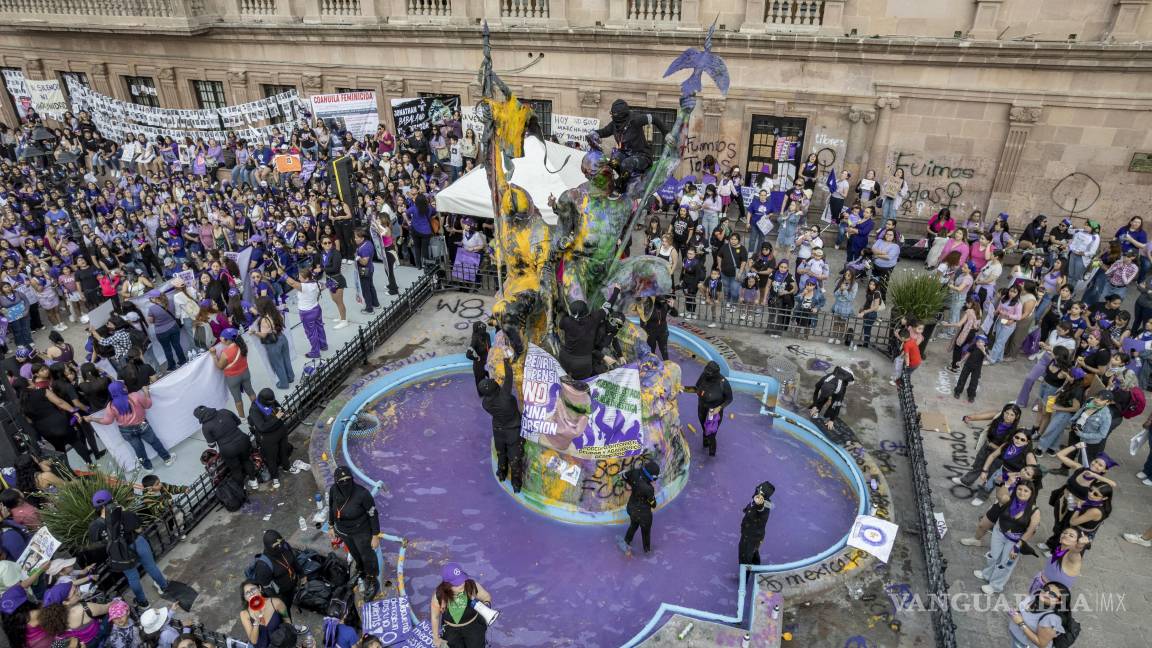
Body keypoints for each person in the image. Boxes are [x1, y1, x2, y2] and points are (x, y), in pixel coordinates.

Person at [88, 490, 170, 608]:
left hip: (120, 552)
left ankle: (143, 602)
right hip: (137, 543)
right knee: (151, 566)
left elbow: (97, 543)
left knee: (132, 577)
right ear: (111, 502)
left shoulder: (95, 526)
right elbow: (139, 530)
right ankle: (164, 587)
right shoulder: (124, 514)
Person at [960, 479, 1041, 594]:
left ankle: (996, 585)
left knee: (1006, 563)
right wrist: (1006, 483)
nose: (1022, 493)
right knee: (993, 555)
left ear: (1031, 493)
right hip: (999, 532)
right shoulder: (1008, 500)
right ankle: (987, 574)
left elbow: (1031, 530)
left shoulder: (1034, 511)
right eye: (1019, 489)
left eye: (1026, 491)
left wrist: (1018, 546)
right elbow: (999, 495)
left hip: (1015, 540)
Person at [85, 381, 173, 470]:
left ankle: (148, 468)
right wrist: (146, 392)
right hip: (142, 425)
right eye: (124, 386)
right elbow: (148, 404)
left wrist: (92, 419)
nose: (126, 387)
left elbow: (107, 421)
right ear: (124, 389)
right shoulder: (135, 396)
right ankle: (167, 459)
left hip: (126, 431)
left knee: (138, 450)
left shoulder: (111, 406)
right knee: (154, 442)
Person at [588, 99, 669, 191]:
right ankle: (615, 182)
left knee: (626, 164)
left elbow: (654, 119)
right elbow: (604, 131)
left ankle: (621, 188)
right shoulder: (614, 125)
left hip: (642, 156)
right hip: (625, 154)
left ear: (620, 115)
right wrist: (594, 133)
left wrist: (666, 134)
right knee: (613, 162)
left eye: (613, 114)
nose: (611, 116)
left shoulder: (635, 120)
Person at [327, 466, 381, 600]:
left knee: (367, 555)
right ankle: (361, 571)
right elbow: (331, 507)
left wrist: (375, 535)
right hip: (344, 531)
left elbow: (373, 514)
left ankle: (373, 579)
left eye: (348, 479)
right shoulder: (334, 490)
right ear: (336, 482)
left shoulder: (362, 494)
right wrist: (331, 525)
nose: (345, 482)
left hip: (361, 531)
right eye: (341, 480)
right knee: (355, 553)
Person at [478, 352, 524, 493]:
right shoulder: (504, 397)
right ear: (494, 388)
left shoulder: (485, 403)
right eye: (493, 382)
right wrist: (506, 361)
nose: (494, 381)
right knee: (514, 458)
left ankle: (502, 473)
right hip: (512, 431)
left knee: (501, 453)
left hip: (498, 430)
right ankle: (516, 484)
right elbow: (509, 378)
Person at [428, 563, 492, 648]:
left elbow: (486, 596)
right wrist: (435, 638)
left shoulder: (471, 586)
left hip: (474, 627)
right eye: (457, 584)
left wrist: (485, 608)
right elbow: (435, 617)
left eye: (462, 580)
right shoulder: (439, 596)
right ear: (447, 585)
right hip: (451, 630)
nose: (462, 585)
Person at [195, 405, 258, 491]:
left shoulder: (205, 427)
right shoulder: (224, 411)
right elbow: (238, 422)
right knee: (246, 460)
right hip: (243, 441)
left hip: (228, 449)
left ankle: (242, 489)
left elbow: (212, 444)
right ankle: (254, 482)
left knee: (236, 469)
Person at [686, 361, 733, 456]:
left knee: (711, 433)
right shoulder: (704, 375)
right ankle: (705, 441)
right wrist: (683, 389)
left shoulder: (723, 383)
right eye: (706, 372)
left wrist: (719, 408)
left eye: (708, 373)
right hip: (702, 407)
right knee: (704, 427)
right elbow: (696, 388)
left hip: (714, 412)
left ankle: (712, 453)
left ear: (715, 374)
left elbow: (729, 399)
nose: (706, 374)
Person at [248, 389, 292, 490]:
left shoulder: (271, 401)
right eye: (270, 402)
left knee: (283, 451)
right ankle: (275, 477)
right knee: (271, 458)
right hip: (268, 438)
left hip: (280, 431)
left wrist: (283, 412)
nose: (272, 403)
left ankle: (287, 467)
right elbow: (262, 427)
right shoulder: (255, 409)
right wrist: (277, 417)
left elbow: (278, 407)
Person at [211, 328, 257, 416]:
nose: (220, 339)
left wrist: (213, 355)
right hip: (245, 373)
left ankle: (243, 418)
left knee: (237, 399)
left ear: (226, 340)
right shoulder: (243, 345)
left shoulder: (226, 353)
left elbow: (220, 366)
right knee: (251, 391)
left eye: (221, 337)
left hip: (233, 378)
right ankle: (257, 409)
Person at [251, 298, 294, 390]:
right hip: (282, 338)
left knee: (278, 364)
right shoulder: (276, 312)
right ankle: (290, 377)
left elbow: (263, 335)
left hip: (273, 343)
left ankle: (283, 383)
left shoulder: (264, 320)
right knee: (286, 359)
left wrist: (254, 332)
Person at [619, 459, 660, 555]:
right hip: (644, 514)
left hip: (631, 508)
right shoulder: (649, 489)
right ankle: (647, 551)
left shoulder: (634, 472)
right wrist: (653, 501)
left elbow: (625, 476)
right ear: (651, 477)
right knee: (645, 533)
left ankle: (626, 542)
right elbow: (653, 504)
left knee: (633, 525)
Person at [284, 267, 326, 359]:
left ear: (306, 278)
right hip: (316, 308)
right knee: (320, 327)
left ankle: (315, 351)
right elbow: (323, 286)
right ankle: (323, 345)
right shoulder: (315, 283)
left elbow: (292, 283)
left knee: (311, 333)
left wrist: (283, 275)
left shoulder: (304, 287)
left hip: (307, 313)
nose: (299, 279)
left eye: (300, 277)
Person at [250, 530, 300, 607]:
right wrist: (278, 602)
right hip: (282, 593)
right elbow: (266, 588)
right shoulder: (263, 565)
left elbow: (294, 560)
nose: (280, 547)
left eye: (281, 543)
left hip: (293, 583)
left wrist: (302, 575)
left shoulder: (285, 546)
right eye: (277, 546)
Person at [556, 300, 603, 380]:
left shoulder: (567, 321)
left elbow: (560, 325)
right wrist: (616, 290)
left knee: (561, 378)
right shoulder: (594, 319)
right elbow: (607, 306)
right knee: (580, 384)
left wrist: (564, 313)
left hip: (565, 357)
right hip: (583, 363)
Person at [239, 580, 292, 648]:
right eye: (247, 593)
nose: (252, 594)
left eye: (253, 589)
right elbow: (254, 641)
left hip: (281, 644)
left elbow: (287, 620)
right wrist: (256, 622)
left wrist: (288, 638)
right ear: (245, 598)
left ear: (259, 588)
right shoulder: (244, 614)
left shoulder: (277, 603)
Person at [145, 290, 186, 371]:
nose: (150, 300)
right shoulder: (170, 301)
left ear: (154, 298)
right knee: (177, 345)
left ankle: (172, 366)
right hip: (174, 327)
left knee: (167, 349)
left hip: (161, 332)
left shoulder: (152, 309)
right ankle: (182, 360)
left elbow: (150, 321)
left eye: (150, 298)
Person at [738, 481, 775, 566]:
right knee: (753, 551)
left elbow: (760, 507)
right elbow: (751, 506)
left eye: (761, 493)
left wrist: (760, 503)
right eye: (758, 489)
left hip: (752, 536)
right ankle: (757, 567)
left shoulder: (763, 507)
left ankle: (743, 577)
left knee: (744, 557)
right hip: (751, 533)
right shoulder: (754, 499)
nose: (758, 493)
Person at [317, 236, 349, 329]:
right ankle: (341, 317)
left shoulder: (336, 253)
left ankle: (344, 320)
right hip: (329, 279)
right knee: (334, 299)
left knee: (339, 301)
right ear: (322, 245)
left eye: (329, 242)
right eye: (325, 243)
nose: (328, 244)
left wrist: (321, 269)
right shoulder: (322, 253)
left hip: (337, 279)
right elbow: (322, 265)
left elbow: (335, 268)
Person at [640, 295, 676, 361]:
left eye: (663, 301)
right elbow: (642, 320)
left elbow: (675, 314)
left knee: (664, 351)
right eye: (661, 301)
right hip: (650, 332)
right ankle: (651, 365)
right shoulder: (648, 305)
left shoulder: (665, 304)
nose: (663, 302)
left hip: (663, 331)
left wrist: (672, 307)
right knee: (651, 350)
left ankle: (667, 364)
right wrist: (643, 332)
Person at [353, 229, 380, 314]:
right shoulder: (367, 243)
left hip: (364, 270)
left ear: (362, 238)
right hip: (370, 268)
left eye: (356, 237)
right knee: (370, 286)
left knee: (366, 289)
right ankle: (376, 303)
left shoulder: (365, 248)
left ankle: (369, 309)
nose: (355, 239)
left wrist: (358, 257)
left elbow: (364, 262)